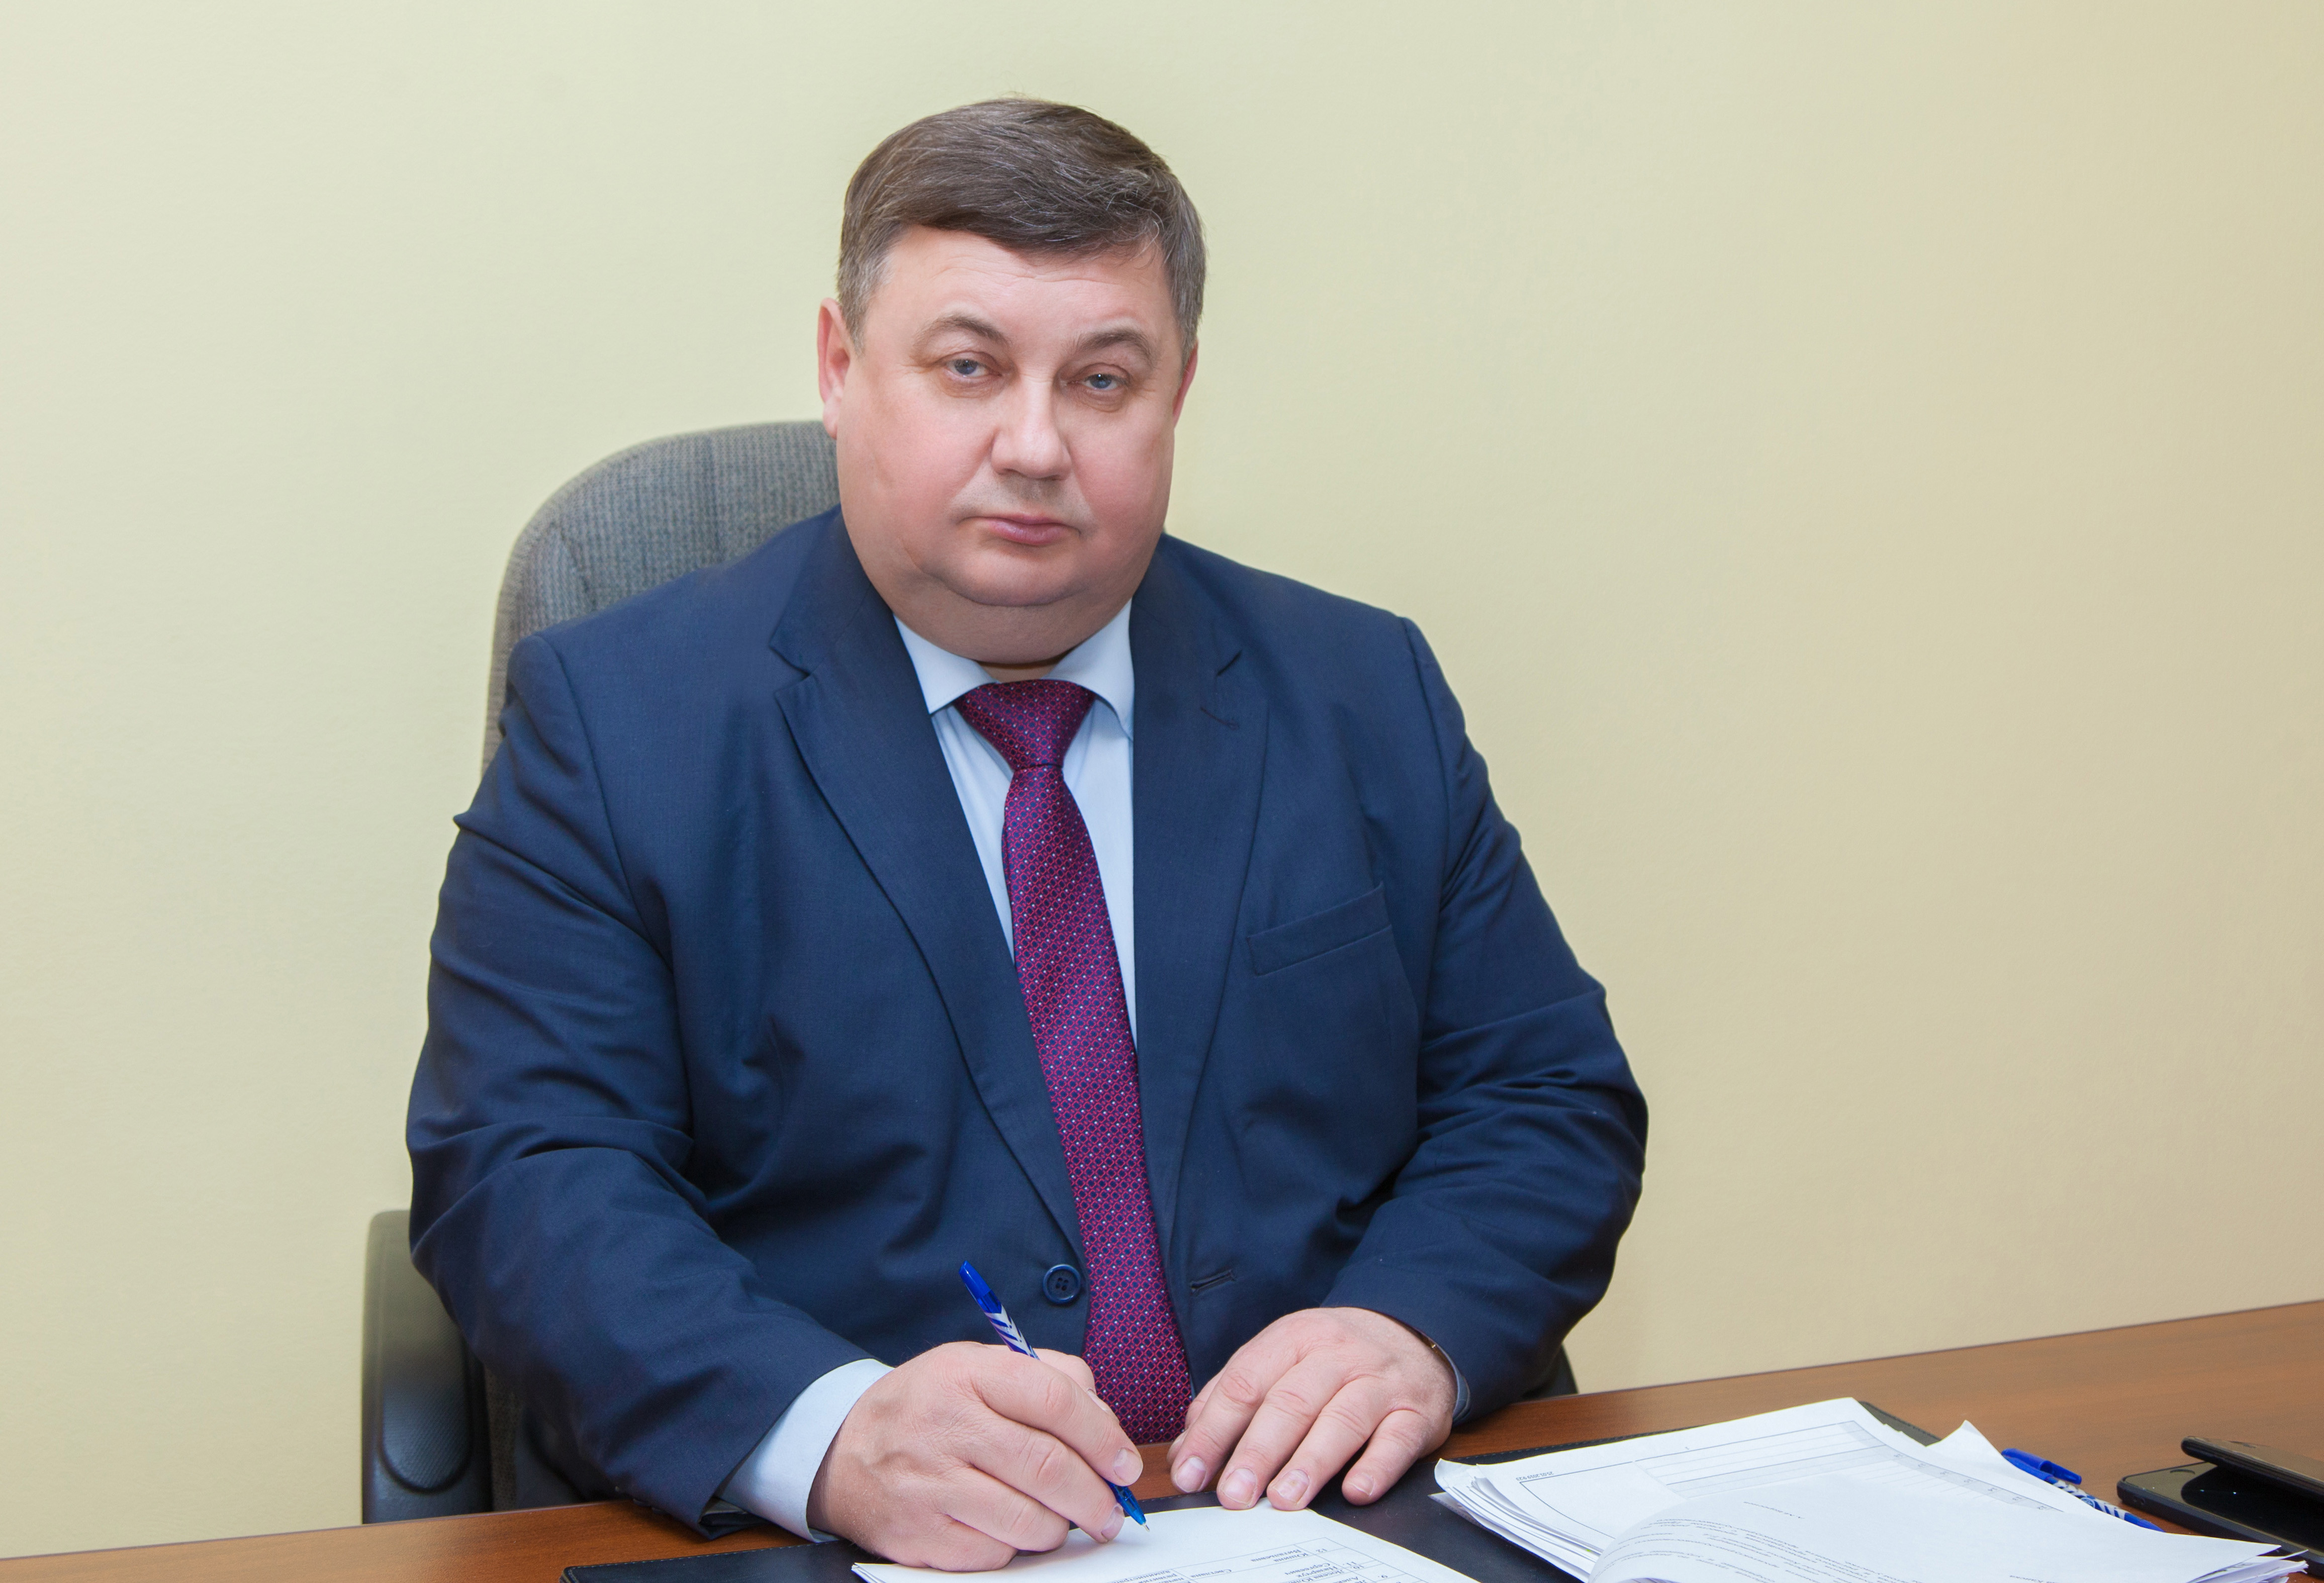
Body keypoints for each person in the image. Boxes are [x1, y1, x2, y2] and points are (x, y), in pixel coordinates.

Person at [408, 98, 1646, 1570]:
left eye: (1103, 379)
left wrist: (1410, 1327)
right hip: (883, 1546)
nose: (1037, 445)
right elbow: (531, 1173)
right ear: (839, 369)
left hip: (1318, 1525)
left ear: (1177, 393)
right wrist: (826, 1433)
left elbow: (1542, 1094)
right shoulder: (618, 723)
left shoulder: (1362, 690)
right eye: (969, 368)